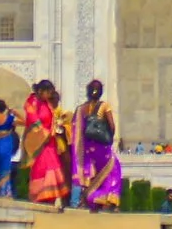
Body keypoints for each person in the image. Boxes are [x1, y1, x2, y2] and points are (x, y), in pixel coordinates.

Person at [74, 79, 121, 209]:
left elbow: (78, 129)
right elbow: (111, 125)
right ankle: (104, 198)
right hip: (101, 146)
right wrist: (109, 139)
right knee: (113, 169)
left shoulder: (81, 109)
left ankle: (90, 198)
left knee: (93, 172)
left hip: (88, 147)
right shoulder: (104, 106)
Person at [22, 82, 66, 206]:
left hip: (49, 143)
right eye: (48, 93)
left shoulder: (47, 104)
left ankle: (51, 197)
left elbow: (51, 119)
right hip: (38, 143)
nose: (49, 96)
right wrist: (44, 133)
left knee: (52, 167)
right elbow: (33, 118)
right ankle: (38, 195)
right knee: (41, 169)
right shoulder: (32, 101)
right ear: (41, 90)